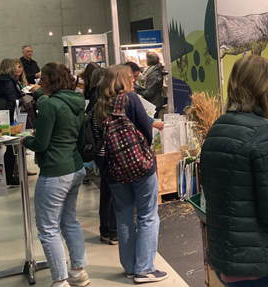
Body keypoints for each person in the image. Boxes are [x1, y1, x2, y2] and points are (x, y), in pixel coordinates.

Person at [200, 54, 268, 287]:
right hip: (261, 265)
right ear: (264, 90)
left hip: (229, 259)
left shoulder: (218, 128)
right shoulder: (264, 132)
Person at [93, 64, 167, 283]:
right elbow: (146, 129)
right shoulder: (131, 100)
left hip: (114, 170)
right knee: (147, 215)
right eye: (129, 78)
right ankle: (145, 268)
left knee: (124, 216)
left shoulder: (99, 106)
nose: (133, 80)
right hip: (141, 167)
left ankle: (130, 267)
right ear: (122, 80)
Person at [20, 62, 89, 287]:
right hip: (75, 167)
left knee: (48, 228)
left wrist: (25, 140)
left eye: (42, 80)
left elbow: (41, 143)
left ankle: (60, 281)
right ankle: (78, 272)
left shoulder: (50, 106)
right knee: (69, 221)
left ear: (50, 81)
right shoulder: (78, 102)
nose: (39, 83)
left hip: (54, 172)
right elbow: (79, 140)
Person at [0, 59, 22, 186]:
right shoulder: (9, 82)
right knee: (12, 148)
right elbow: (12, 102)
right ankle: (8, 177)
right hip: (9, 119)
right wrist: (22, 101)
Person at [143, 51, 167, 118]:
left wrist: (139, 91)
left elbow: (150, 92)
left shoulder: (154, 74)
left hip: (153, 102)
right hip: (155, 101)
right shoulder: (155, 71)